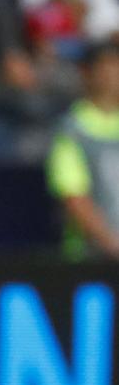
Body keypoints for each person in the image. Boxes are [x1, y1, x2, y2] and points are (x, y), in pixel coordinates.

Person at [47, 39, 119, 260]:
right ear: (88, 73)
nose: (112, 75)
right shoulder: (71, 131)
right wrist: (113, 244)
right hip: (91, 262)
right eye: (105, 67)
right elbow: (74, 197)